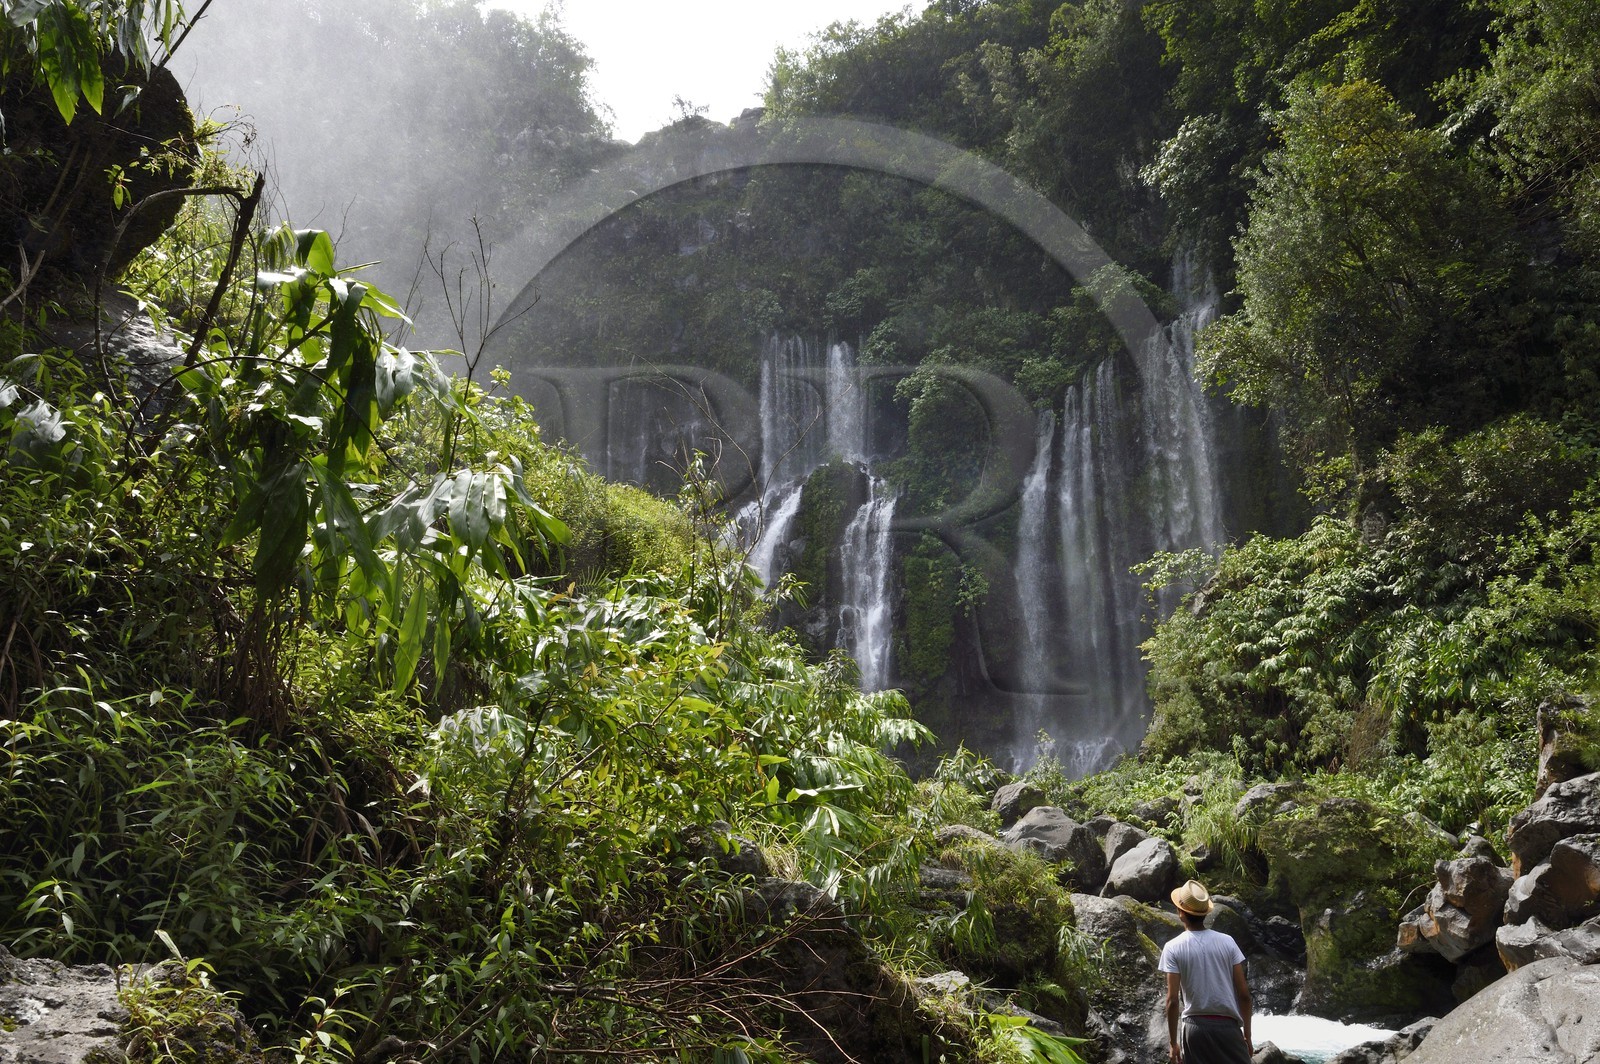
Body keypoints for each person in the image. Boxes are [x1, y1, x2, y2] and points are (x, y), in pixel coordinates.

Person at [1157, 879, 1253, 1064]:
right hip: (1228, 1028)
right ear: (1205, 913)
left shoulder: (1173, 947)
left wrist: (1173, 1043)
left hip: (1195, 1030)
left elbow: (1172, 1000)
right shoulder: (1228, 942)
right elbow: (1244, 996)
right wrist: (1247, 1035)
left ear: (1180, 913)